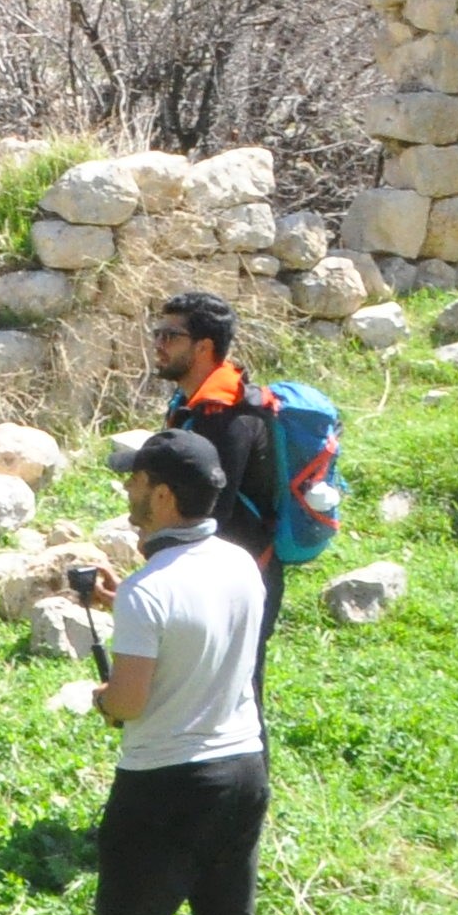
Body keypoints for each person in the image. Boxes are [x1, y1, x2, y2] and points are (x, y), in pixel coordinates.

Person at [69, 425, 272, 915]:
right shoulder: (241, 564)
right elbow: (198, 631)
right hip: (243, 769)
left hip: (163, 785)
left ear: (161, 496)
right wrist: (121, 604)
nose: (128, 491)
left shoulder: (149, 592)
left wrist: (101, 698)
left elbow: (128, 702)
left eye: (136, 481)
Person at [153, 291, 282, 690]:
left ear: (203, 347)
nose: (158, 344)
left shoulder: (229, 415)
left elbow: (212, 511)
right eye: (157, 333)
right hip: (211, 573)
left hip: (242, 580)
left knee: (239, 697)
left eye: (170, 336)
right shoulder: (193, 404)